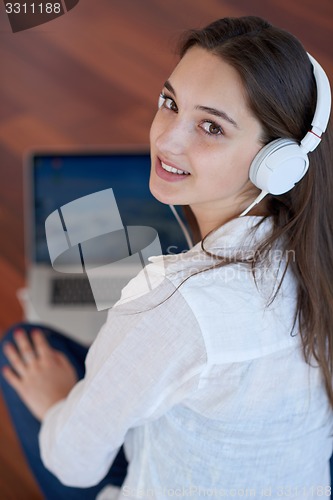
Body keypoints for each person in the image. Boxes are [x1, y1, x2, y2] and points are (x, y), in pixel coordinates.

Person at [0, 15, 332, 499]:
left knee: (21, 343)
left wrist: (54, 403)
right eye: (170, 103)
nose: (167, 139)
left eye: (211, 127)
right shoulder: (315, 249)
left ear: (278, 162)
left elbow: (73, 465)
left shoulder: (170, 302)